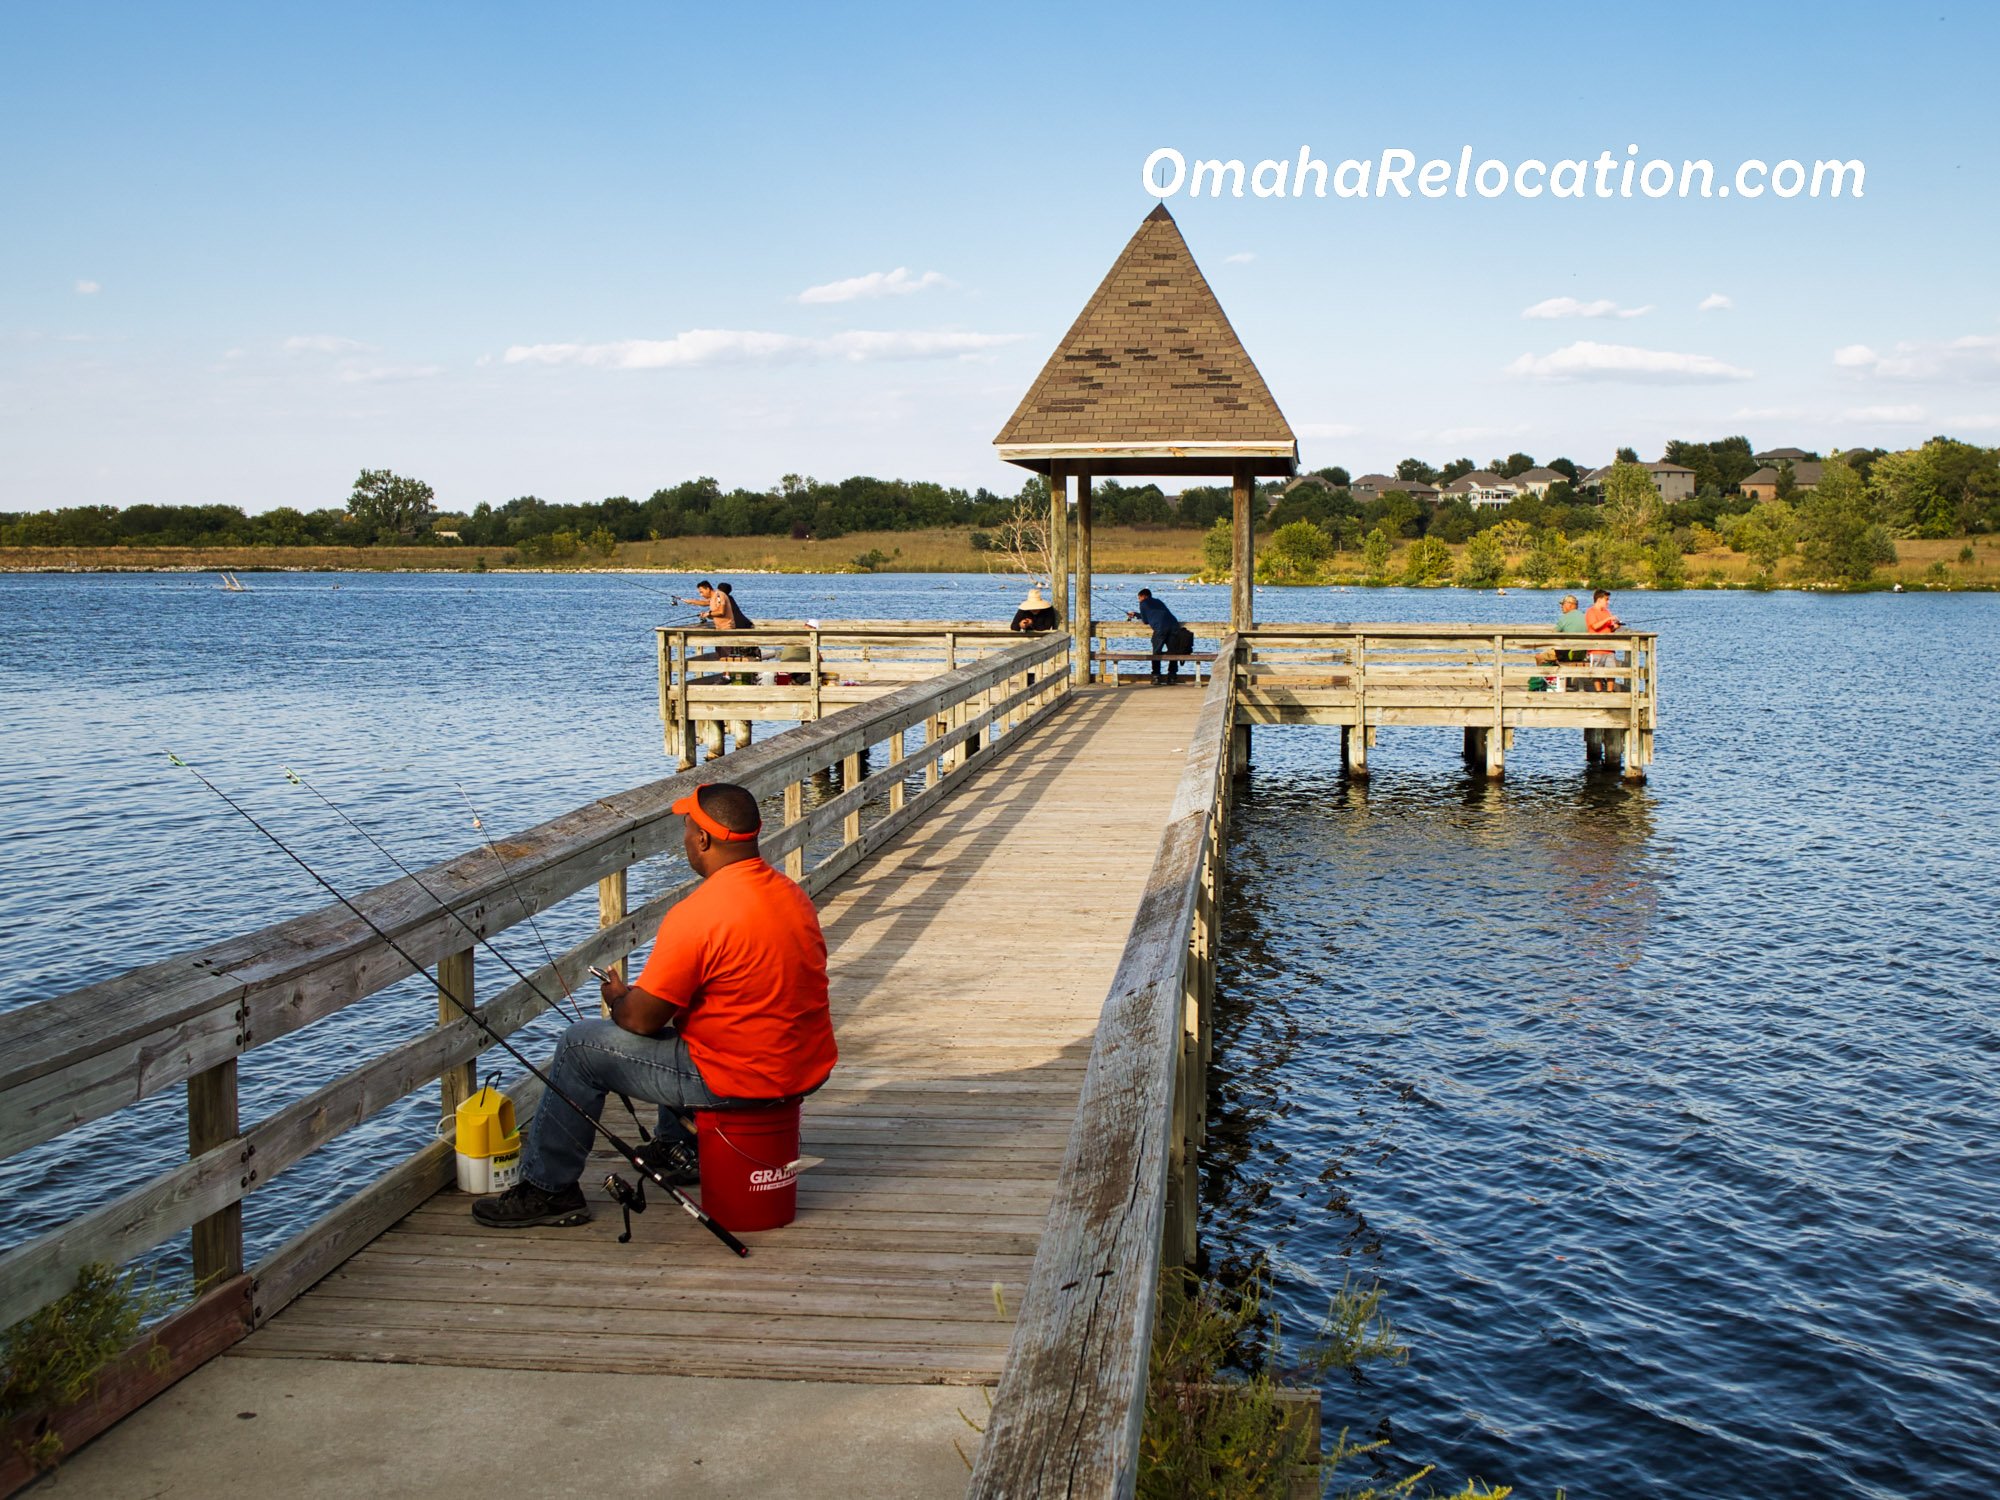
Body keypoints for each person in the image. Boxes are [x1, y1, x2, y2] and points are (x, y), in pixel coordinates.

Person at [472, 782, 837, 1228]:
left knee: (578, 1046)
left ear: (703, 839)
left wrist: (618, 1000)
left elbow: (642, 1022)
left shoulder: (700, 912)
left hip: (740, 1079)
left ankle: (549, 1189)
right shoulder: (790, 895)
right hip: (801, 1067)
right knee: (691, 1019)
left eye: (686, 828)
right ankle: (675, 1148)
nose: (684, 837)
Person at [1127, 588, 1193, 684]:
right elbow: (1154, 614)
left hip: (1161, 628)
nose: (1139, 600)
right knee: (1173, 652)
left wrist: (1139, 615)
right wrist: (1137, 614)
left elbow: (1146, 621)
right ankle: (1172, 676)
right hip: (1173, 626)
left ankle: (1156, 676)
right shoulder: (1158, 601)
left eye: (1139, 598)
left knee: (1156, 652)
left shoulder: (1143, 603)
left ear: (1143, 596)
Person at [1585, 588, 1622, 690]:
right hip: (1596, 648)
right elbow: (1595, 626)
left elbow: (1610, 628)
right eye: (1606, 599)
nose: (1608, 602)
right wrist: (1608, 619)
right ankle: (1599, 691)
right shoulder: (1591, 611)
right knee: (1597, 672)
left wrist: (1615, 626)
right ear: (1599, 599)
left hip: (1609, 648)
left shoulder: (1607, 612)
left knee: (1611, 671)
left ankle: (1610, 692)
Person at [1553, 593, 1587, 693]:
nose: (1561, 607)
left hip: (1569, 654)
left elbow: (1554, 634)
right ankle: (1575, 686)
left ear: (1570, 605)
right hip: (1582, 653)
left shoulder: (1564, 618)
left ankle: (1546, 685)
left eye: (1563, 604)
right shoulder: (1585, 617)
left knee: (1543, 657)